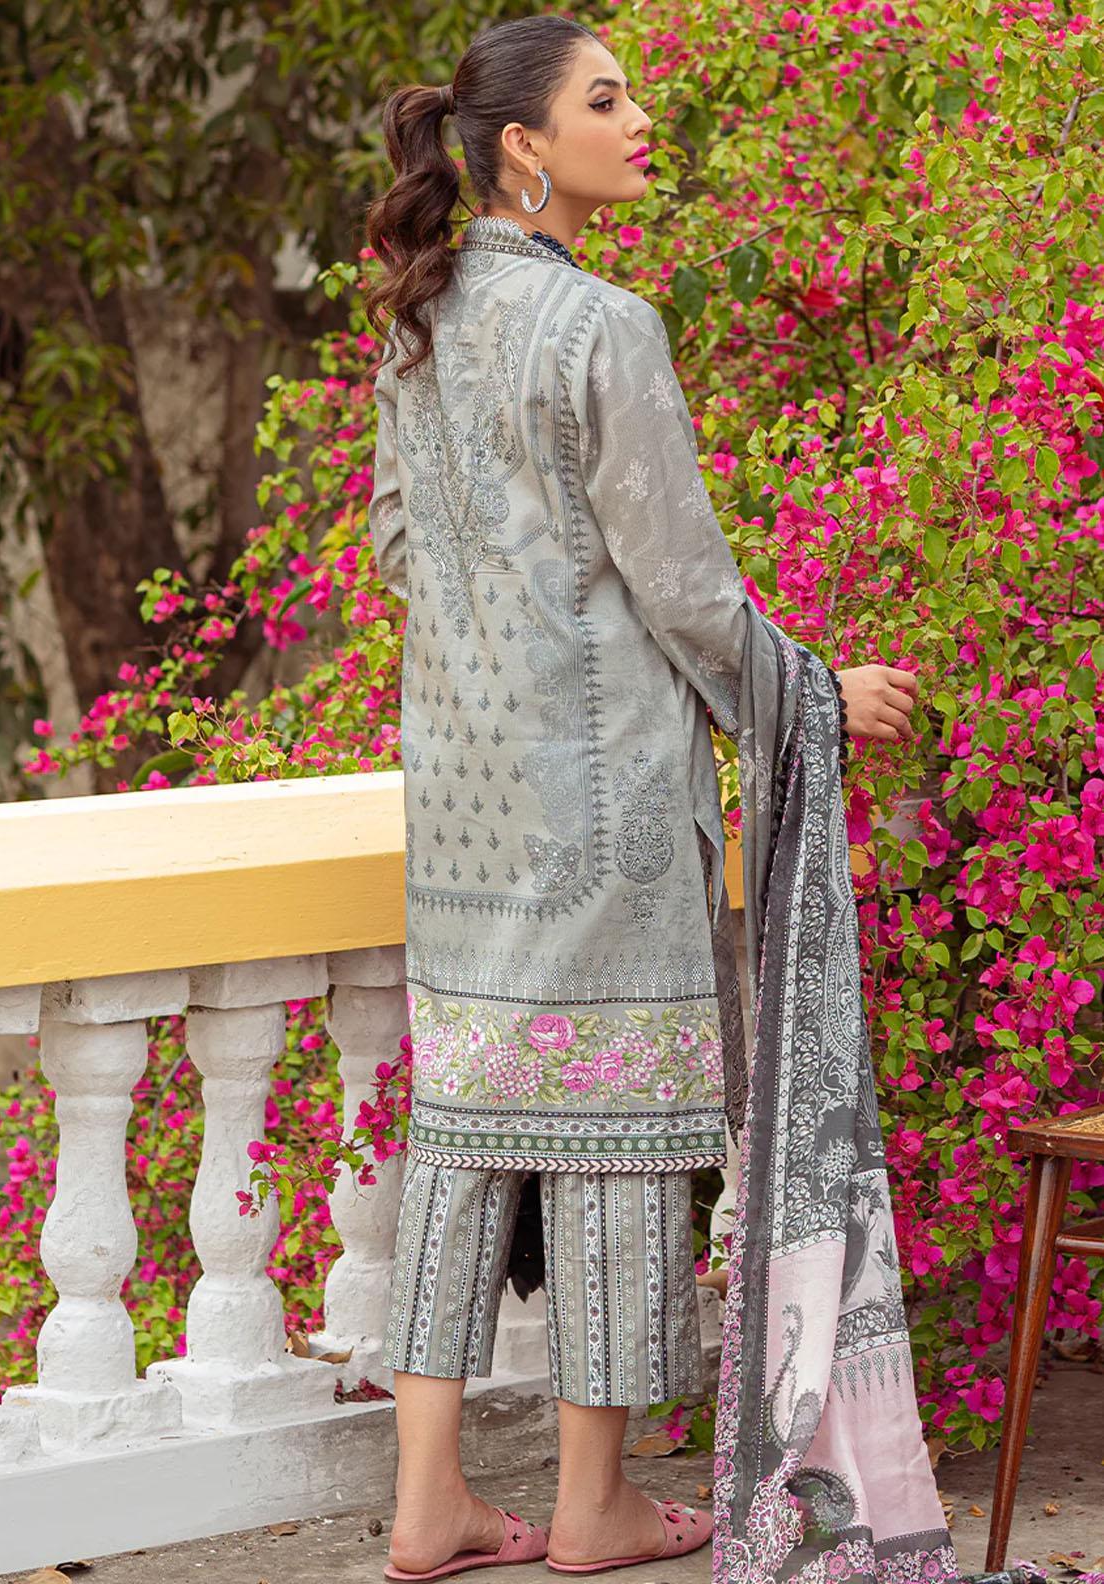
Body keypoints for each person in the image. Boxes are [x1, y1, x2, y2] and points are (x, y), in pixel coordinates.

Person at [360, 16, 949, 1584]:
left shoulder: (417, 316)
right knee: (615, 1135)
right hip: (603, 797)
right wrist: (813, 693)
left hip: (465, 802)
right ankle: (592, 1507)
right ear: (522, 147)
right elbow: (682, 586)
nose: (639, 121)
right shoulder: (601, 324)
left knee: (469, 1130)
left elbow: (402, 549)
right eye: (605, 99)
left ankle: (428, 1507)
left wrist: (505, 640)